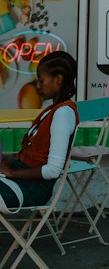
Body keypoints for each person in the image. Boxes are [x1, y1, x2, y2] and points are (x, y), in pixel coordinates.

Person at [0, 51, 78, 207]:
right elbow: (35, 158)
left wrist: (11, 172)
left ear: (58, 80)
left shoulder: (63, 113)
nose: (37, 86)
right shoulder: (52, 110)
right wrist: (6, 162)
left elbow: (53, 170)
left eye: (41, 81)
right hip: (24, 180)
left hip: (33, 189)